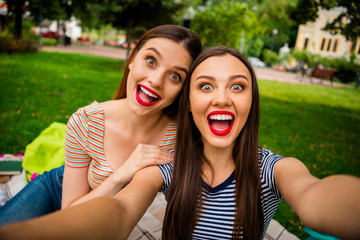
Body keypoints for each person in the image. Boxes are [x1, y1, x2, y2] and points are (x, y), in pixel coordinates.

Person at [1, 46, 359, 240]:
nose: (221, 98)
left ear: (252, 101)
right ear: (189, 103)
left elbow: (313, 196)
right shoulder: (169, 167)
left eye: (237, 86)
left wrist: (322, 205)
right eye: (206, 86)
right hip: (63, 183)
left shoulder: (273, 169)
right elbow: (120, 211)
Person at [0, 24, 202, 225]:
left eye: (175, 76)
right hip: (57, 189)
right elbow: (69, 215)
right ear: (132, 59)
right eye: (151, 60)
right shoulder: (87, 121)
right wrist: (121, 175)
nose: (157, 80)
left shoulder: (179, 138)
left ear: (183, 90)